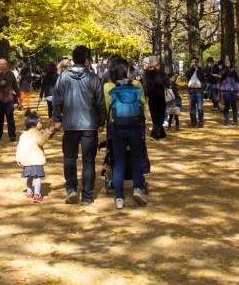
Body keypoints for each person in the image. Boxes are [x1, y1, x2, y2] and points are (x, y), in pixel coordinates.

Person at [50, 45, 106, 206]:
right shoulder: (93, 78)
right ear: (87, 60)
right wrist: (101, 121)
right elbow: (100, 102)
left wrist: (57, 118)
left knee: (69, 157)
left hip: (70, 124)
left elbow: (57, 99)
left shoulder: (64, 77)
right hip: (90, 124)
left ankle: (71, 189)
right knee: (88, 161)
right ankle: (87, 196)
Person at [104, 57, 148, 209]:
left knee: (118, 161)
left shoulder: (108, 86)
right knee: (137, 158)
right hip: (135, 126)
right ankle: (137, 188)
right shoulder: (136, 84)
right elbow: (143, 103)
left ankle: (119, 197)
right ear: (127, 70)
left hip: (117, 127)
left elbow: (107, 107)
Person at [16, 109, 54, 203]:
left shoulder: (23, 135)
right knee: (37, 178)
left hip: (27, 160)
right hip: (36, 160)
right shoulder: (36, 133)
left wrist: (18, 158)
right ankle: (37, 194)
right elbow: (41, 141)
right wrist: (48, 132)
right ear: (34, 125)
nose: (41, 124)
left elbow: (19, 147)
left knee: (29, 177)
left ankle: (29, 192)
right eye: (40, 123)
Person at [0, 58, 20, 142]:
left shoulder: (10, 74)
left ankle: (12, 135)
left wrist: (18, 94)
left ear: (6, 65)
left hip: (9, 100)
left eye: (4, 64)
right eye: (1, 64)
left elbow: (15, 85)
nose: (3, 65)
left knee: (10, 119)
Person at [143, 56, 167, 140]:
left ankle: (161, 134)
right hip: (160, 97)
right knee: (160, 116)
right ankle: (155, 134)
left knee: (154, 116)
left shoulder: (146, 74)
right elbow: (167, 83)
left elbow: (144, 85)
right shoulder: (162, 73)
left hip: (151, 97)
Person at [219, 57, 239, 127]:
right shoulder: (222, 70)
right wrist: (226, 67)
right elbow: (222, 74)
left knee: (234, 106)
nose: (227, 63)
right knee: (227, 106)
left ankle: (235, 121)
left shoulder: (233, 71)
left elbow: (237, 81)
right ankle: (227, 122)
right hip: (226, 90)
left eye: (228, 61)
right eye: (226, 62)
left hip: (233, 91)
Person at [185, 56, 205, 127]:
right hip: (191, 91)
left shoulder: (201, 70)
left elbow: (200, 77)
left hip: (199, 91)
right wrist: (192, 68)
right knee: (192, 108)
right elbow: (187, 75)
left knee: (200, 108)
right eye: (193, 62)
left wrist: (197, 69)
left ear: (198, 63)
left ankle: (201, 122)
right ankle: (193, 122)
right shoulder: (190, 70)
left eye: (195, 62)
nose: (194, 63)